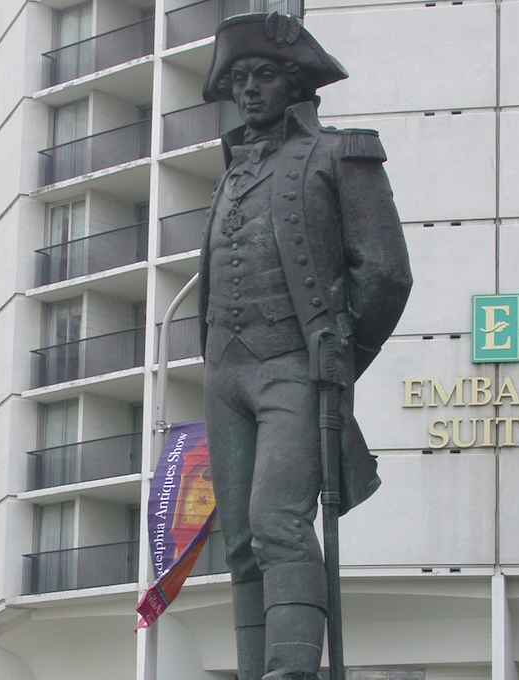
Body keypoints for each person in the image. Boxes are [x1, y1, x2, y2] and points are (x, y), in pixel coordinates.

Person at [197, 13, 412, 680]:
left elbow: (384, 272)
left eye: (263, 75)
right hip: (225, 371)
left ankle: (290, 672)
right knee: (239, 544)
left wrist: (342, 356)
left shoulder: (340, 154)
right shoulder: (229, 173)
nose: (250, 90)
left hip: (295, 364)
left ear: (294, 82)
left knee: (277, 523)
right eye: (239, 80)